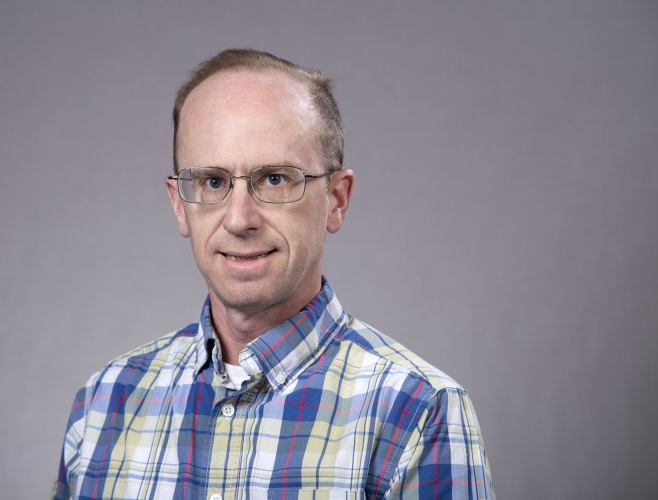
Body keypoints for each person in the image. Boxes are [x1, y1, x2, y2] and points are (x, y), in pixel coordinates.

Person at [52, 48, 494, 499]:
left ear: (336, 199)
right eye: (213, 182)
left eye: (275, 179)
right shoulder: (104, 403)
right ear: (179, 206)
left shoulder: (417, 412)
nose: (239, 219)